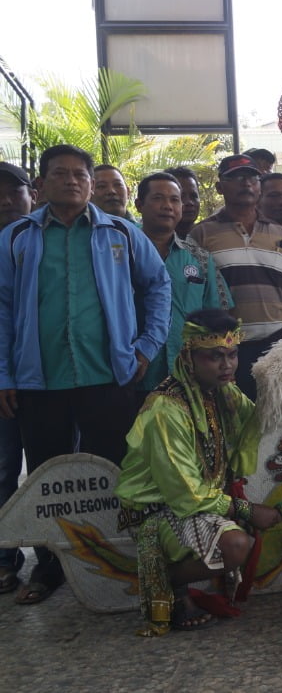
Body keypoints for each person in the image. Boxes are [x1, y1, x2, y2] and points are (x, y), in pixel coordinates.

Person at [0, 144, 171, 604]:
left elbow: (158, 286)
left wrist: (147, 346)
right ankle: (50, 569)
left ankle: (117, 563)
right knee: (48, 480)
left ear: (92, 184)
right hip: (41, 381)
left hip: (109, 377)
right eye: (60, 174)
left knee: (115, 474)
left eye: (80, 174)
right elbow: (2, 308)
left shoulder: (121, 232)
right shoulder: (16, 238)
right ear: (41, 185)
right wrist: (4, 373)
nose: (71, 181)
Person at [115, 309, 280, 634]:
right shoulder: (167, 409)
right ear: (189, 356)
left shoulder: (222, 391)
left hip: (194, 499)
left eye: (232, 355)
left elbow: (256, 423)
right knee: (236, 545)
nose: (227, 365)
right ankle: (165, 579)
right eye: (214, 357)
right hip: (155, 509)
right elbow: (185, 494)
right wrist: (246, 509)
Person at [188, 154, 282, 400]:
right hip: (229, 350)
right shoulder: (202, 234)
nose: (246, 183)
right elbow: (197, 297)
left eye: (252, 177)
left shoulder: (279, 233)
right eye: (236, 177)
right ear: (219, 187)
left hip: (279, 342)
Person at [135, 172, 234, 396]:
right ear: (139, 204)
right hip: (136, 370)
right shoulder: (122, 254)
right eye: (158, 198)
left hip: (189, 375)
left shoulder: (199, 258)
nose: (167, 206)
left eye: (174, 199)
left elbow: (217, 316)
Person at [0, 162, 32, 594]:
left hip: (57, 380)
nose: (5, 201)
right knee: (5, 469)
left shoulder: (63, 240)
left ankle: (63, 559)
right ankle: (6, 556)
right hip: (6, 380)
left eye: (13, 192)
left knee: (62, 469)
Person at [164, 166, 202, 239]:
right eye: (181, 197)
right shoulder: (148, 241)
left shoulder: (209, 236)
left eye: (194, 196)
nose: (189, 202)